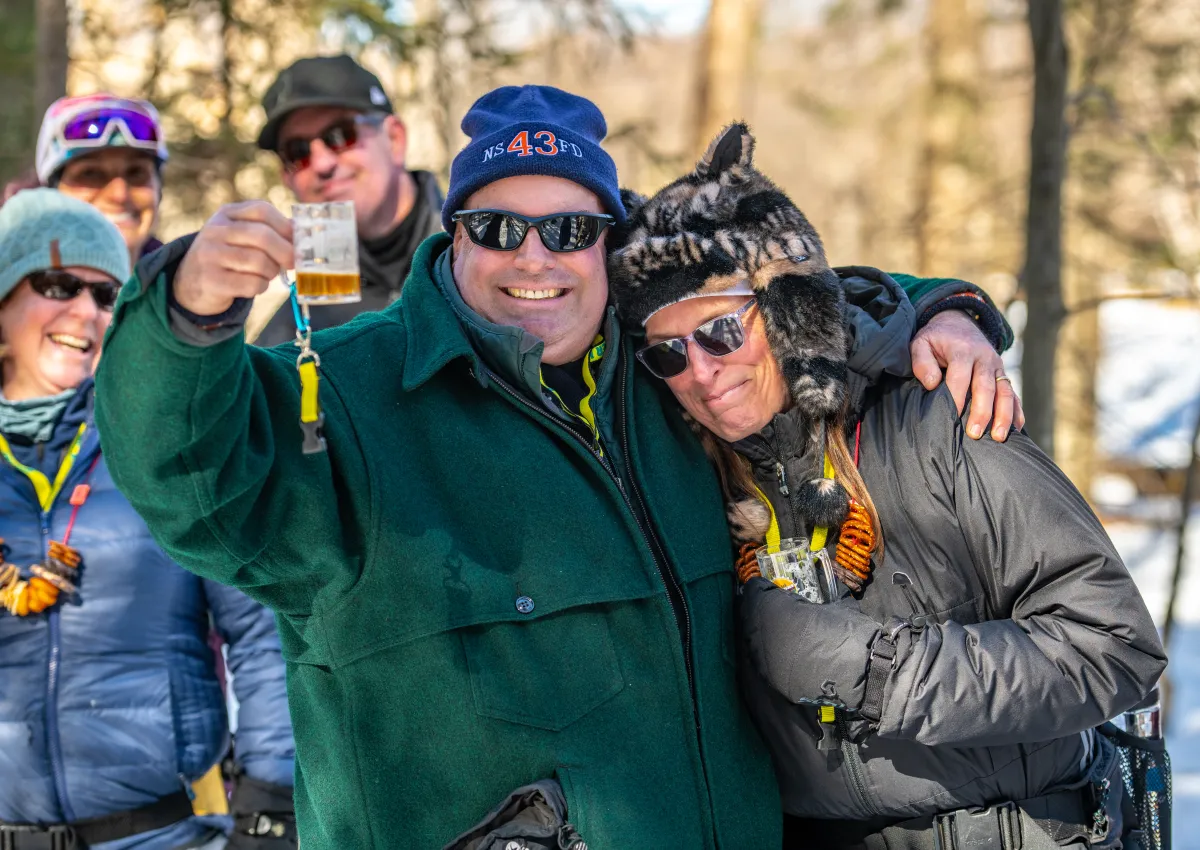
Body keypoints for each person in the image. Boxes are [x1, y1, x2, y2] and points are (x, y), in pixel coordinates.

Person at [95, 86, 1022, 848]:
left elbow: (796, 303)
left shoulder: (672, 367)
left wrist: (937, 311)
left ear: (612, 247)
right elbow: (193, 484)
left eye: (571, 232)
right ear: (452, 235)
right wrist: (187, 315)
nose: (534, 258)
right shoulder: (350, 394)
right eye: (499, 228)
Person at [607, 123, 1167, 849]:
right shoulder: (688, 476)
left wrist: (874, 673)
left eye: (719, 331)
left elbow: (1114, 646)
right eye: (668, 354)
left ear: (783, 310)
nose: (702, 372)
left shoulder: (938, 416)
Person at [0, 190, 296, 850]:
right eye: (57, 284)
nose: (85, 311)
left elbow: (261, 628)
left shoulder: (161, 447)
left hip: (161, 834)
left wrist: (273, 809)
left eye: (108, 296)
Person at [250, 54, 444, 346]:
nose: (321, 163)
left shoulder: (478, 249)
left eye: (341, 135)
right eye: (297, 151)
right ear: (286, 176)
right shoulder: (294, 332)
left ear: (394, 139)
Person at [35, 94, 169, 266]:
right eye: (90, 174)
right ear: (51, 195)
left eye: (136, 172)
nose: (119, 195)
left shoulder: (187, 287)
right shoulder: (11, 287)